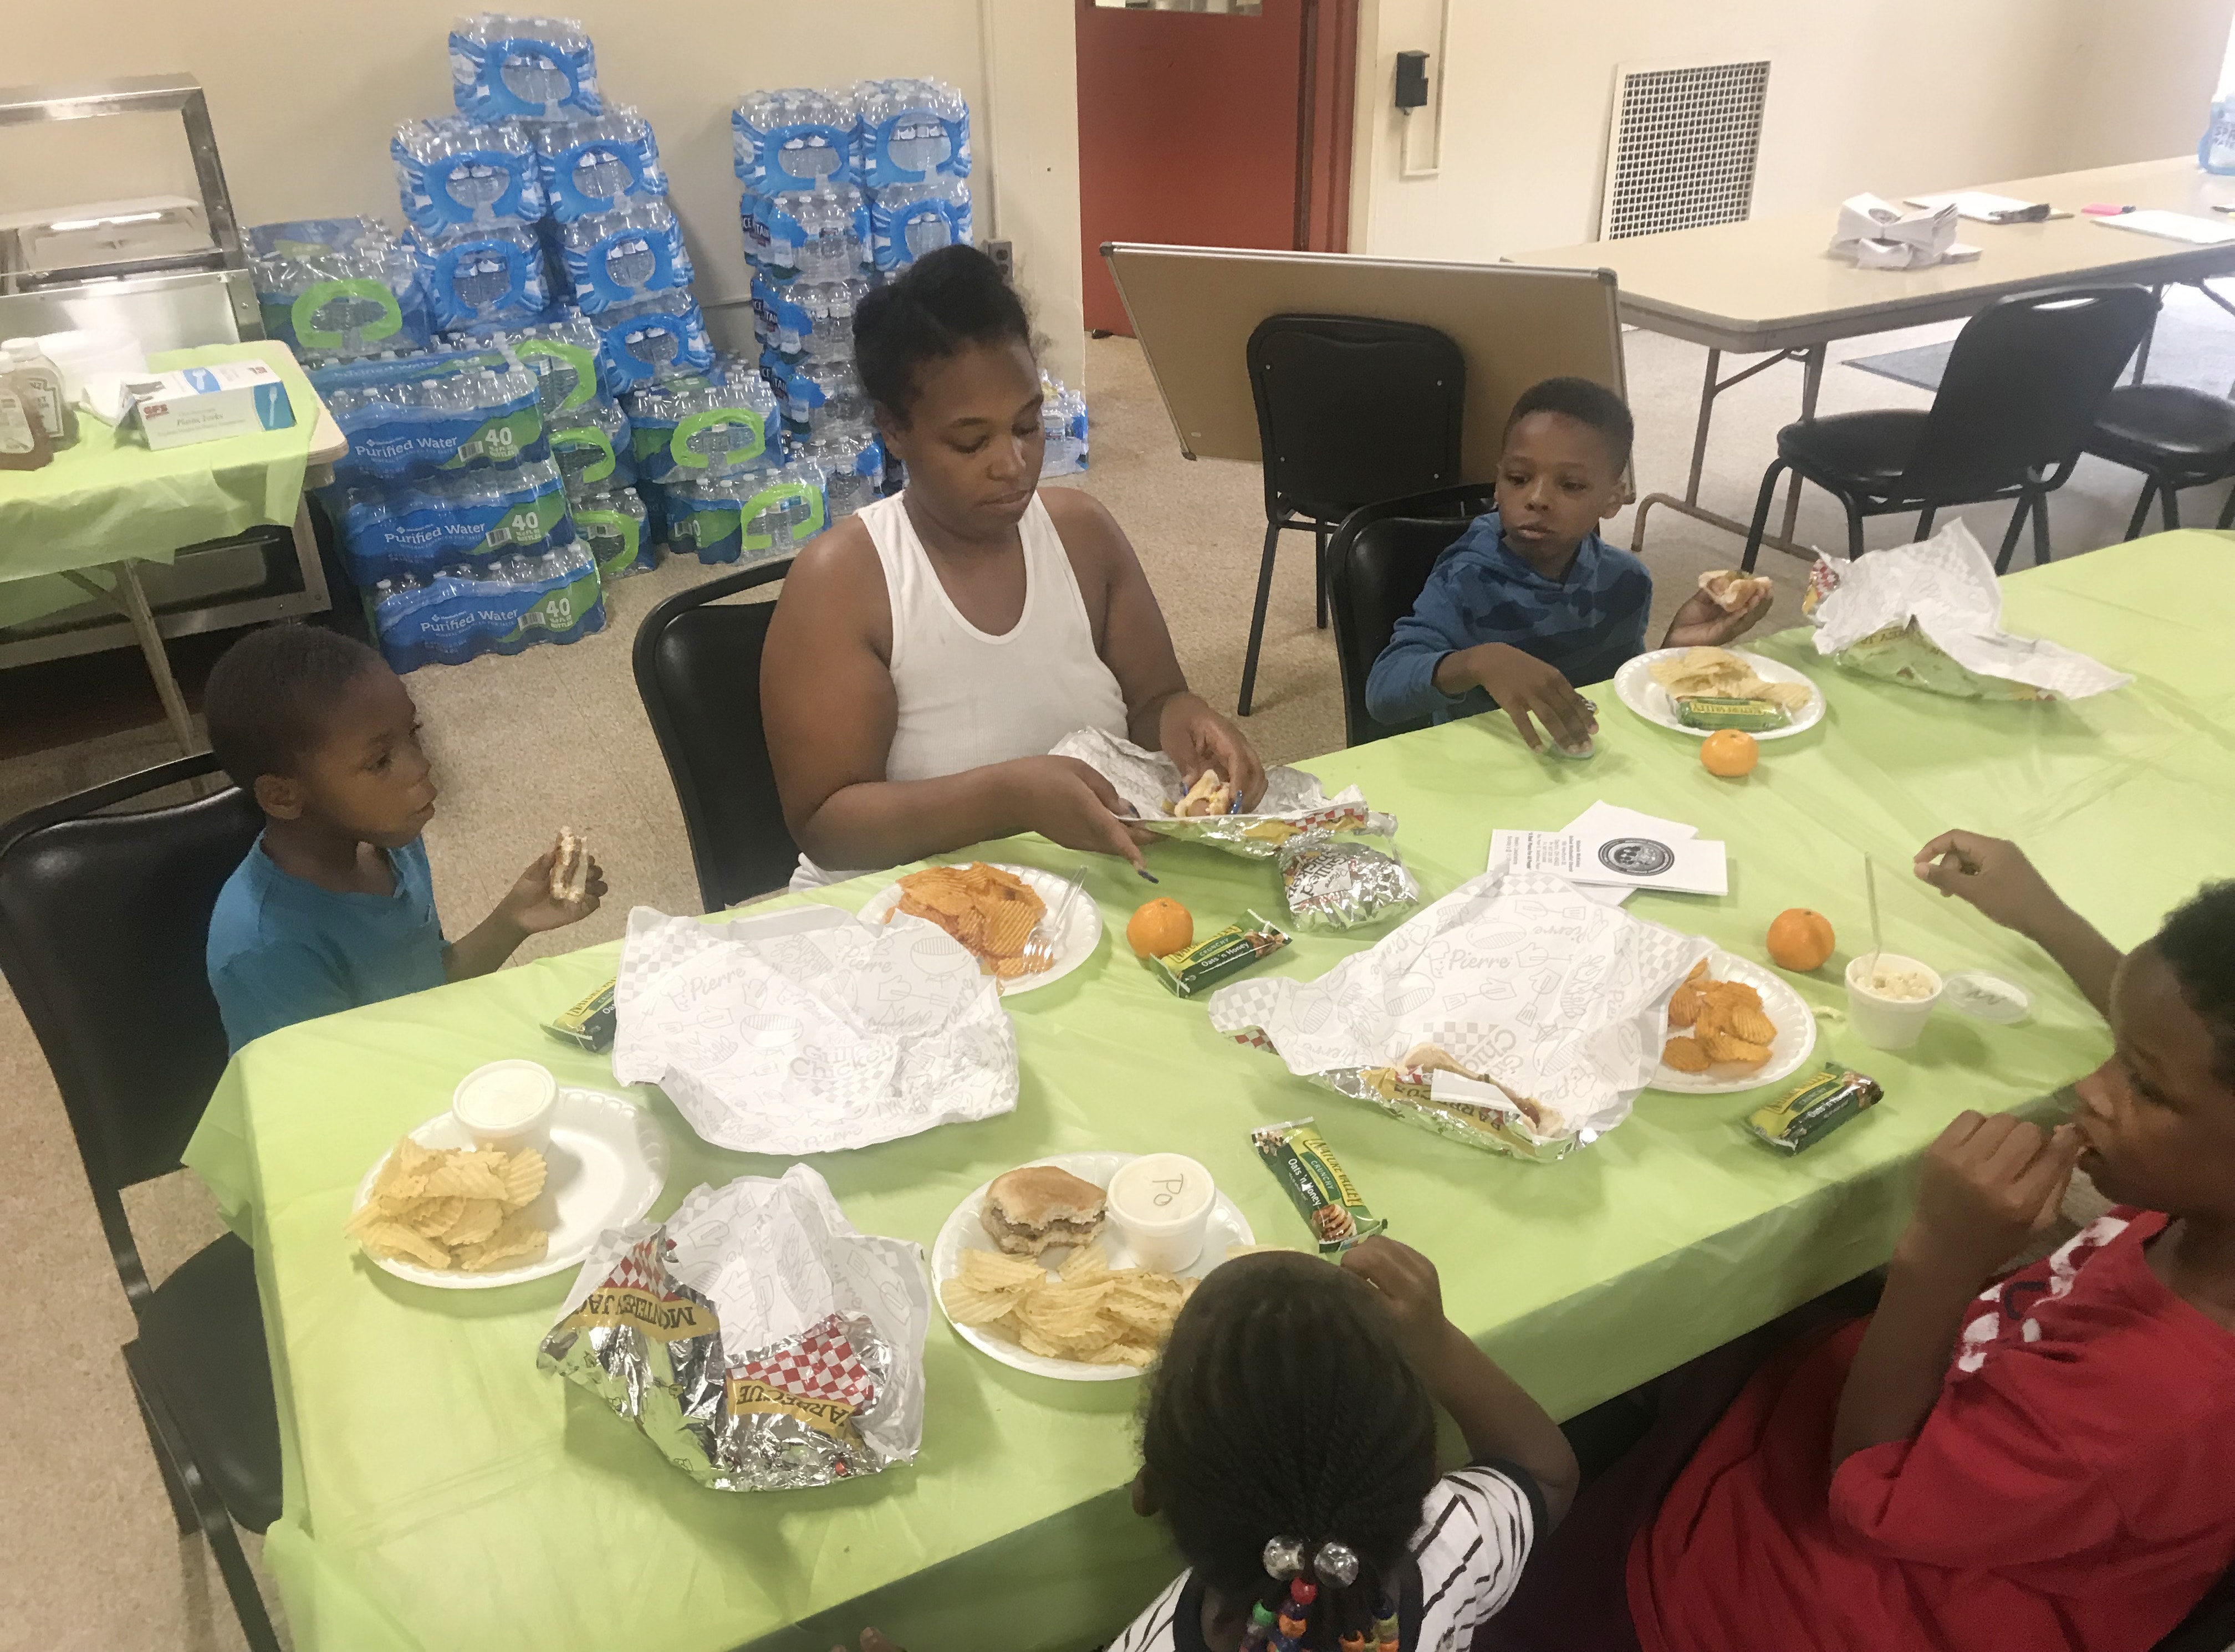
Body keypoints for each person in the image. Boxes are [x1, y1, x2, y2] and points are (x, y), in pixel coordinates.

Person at [1484, 835, 2235, 1652]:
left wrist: (1939, 1259)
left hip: (1792, 1596)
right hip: (1885, 1408)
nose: (2093, 1086)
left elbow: (1870, 1491)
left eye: (2142, 1082)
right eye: (2116, 1051)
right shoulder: (2204, 1212)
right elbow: (2193, 1039)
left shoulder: (2154, 1415)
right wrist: (2044, 917)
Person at [761, 244, 1263, 888]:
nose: (1012, 463)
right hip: (902, 904)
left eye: (1027, 426)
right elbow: (826, 823)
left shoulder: (1083, 536)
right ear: (893, 430)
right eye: (971, 441)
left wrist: (1189, 722)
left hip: (1080, 886)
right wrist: (1008, 799)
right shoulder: (845, 582)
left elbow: (1152, 702)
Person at [1114, 1237, 1578, 1652]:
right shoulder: (1455, 1547)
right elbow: (1544, 1474)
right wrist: (1438, 1344)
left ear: (1147, 1492)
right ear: (1432, 1474)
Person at [202, 625, 606, 1052]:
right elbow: (320, 1098)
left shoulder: (388, 842)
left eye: (413, 733)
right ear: (283, 796)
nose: (421, 766)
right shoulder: (266, 949)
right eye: (380, 761)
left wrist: (514, 919)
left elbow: (427, 989)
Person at [1364, 377, 1771, 753]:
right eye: (1519, 478)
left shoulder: (1626, 582)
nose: (1537, 498)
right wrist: (1478, 662)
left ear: (1613, 500)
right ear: (1497, 482)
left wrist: (1670, 655)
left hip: (1580, 769)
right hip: (1486, 768)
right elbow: (1383, 690)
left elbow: (1616, 695)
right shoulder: (1464, 578)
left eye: (1571, 485)